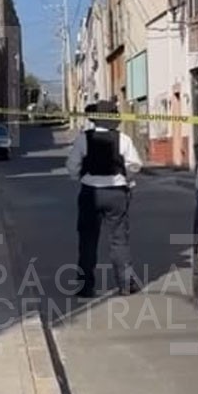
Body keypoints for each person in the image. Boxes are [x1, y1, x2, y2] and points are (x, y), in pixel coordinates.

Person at [66, 99, 144, 297]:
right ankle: (125, 284)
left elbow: (72, 165)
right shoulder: (123, 139)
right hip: (116, 193)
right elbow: (135, 164)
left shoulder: (84, 139)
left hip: (90, 192)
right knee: (119, 240)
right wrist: (125, 176)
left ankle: (85, 286)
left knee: (87, 239)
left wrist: (80, 177)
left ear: (94, 119)